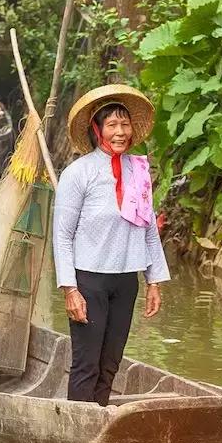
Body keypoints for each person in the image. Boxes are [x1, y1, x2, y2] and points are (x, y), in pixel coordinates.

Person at [52, 84, 170, 406]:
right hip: (89, 280)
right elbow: (62, 235)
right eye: (112, 125)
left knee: (110, 363)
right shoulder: (78, 173)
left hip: (125, 281)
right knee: (86, 364)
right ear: (97, 129)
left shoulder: (139, 172)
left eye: (125, 124)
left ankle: (99, 418)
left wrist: (154, 280)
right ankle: (75, 430)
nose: (120, 132)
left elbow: (148, 227)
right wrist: (70, 290)